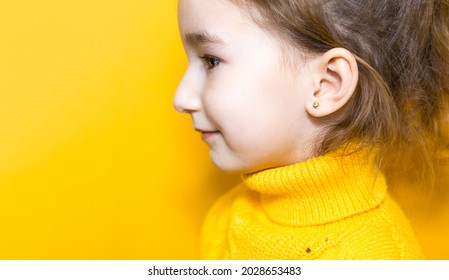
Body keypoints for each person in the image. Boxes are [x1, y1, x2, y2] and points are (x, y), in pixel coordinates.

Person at [174, 0, 449, 259]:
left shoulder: (378, 259)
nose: (181, 99)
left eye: (211, 61)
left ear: (326, 85)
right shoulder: (226, 217)